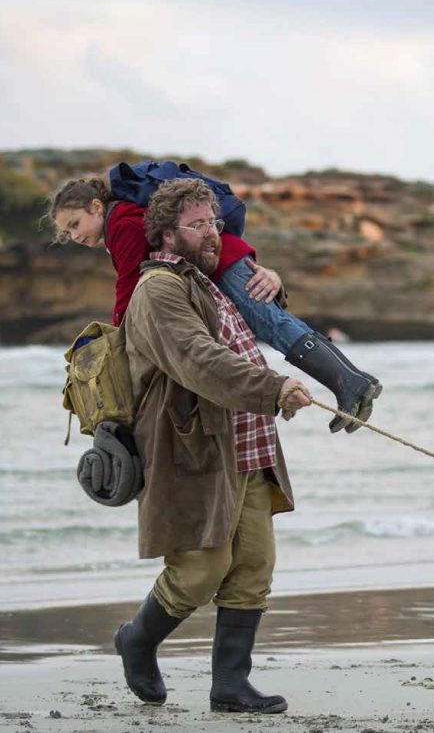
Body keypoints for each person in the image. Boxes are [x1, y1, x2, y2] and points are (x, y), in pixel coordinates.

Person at [116, 177, 313, 713]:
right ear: (165, 234)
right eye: (198, 224)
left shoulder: (210, 281)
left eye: (215, 223)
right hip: (194, 453)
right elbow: (199, 359)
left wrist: (271, 279)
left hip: (248, 449)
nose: (211, 232)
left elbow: (258, 322)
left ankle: (230, 687)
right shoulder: (157, 289)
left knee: (253, 567)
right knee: (200, 571)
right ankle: (137, 639)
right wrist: (274, 389)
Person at [47, 176, 381, 433]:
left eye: (74, 224)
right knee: (275, 323)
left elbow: (130, 283)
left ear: (95, 206)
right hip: (223, 261)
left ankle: (350, 382)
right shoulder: (121, 220)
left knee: (274, 325)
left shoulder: (119, 223)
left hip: (224, 262)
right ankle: (351, 381)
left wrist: (121, 331)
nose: (74, 236)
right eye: (66, 233)